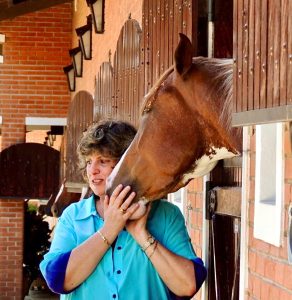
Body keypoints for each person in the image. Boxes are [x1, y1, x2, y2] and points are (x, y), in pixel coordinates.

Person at [40, 120, 207, 299]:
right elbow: (57, 279)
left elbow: (188, 285)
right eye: (89, 161)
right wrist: (110, 229)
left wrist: (141, 234)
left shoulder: (166, 215)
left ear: (129, 164)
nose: (92, 170)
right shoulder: (73, 217)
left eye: (103, 161)